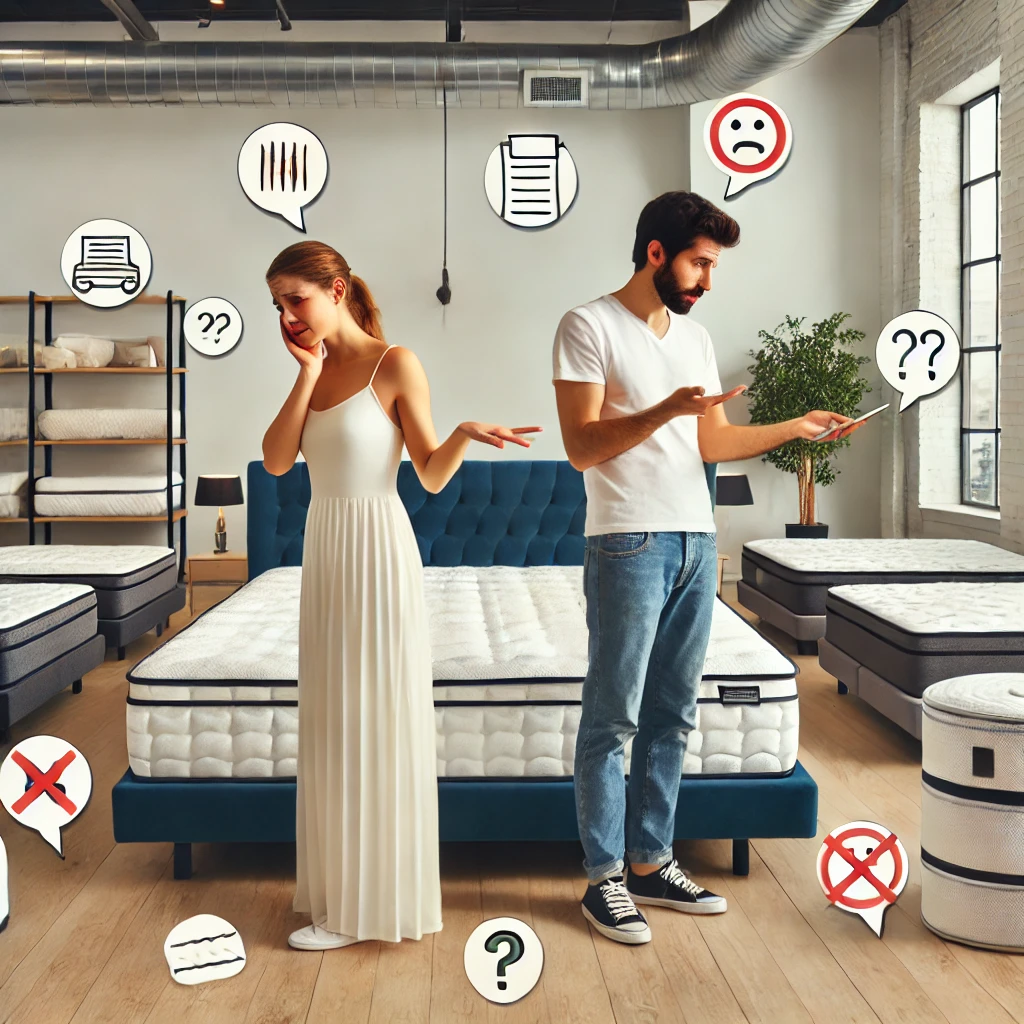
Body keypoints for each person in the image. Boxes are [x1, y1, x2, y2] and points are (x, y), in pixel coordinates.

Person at [551, 191, 856, 945]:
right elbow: (581, 447)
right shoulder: (587, 326)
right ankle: (602, 879)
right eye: (698, 263)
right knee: (613, 716)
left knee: (673, 714)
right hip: (627, 541)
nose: (707, 281)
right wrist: (664, 410)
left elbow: (711, 443)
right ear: (656, 252)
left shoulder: (694, 338)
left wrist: (797, 428)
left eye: (712, 266)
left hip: (694, 540)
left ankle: (652, 862)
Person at [262, 241, 542, 950]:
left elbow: (432, 474)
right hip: (328, 550)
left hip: (378, 551)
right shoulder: (315, 370)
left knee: (373, 716)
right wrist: (306, 373)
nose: (288, 315)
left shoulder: (394, 363)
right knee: (333, 721)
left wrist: (464, 433)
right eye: (278, 305)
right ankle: (341, 897)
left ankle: (370, 908)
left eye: (296, 299)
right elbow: (276, 461)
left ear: (337, 289)